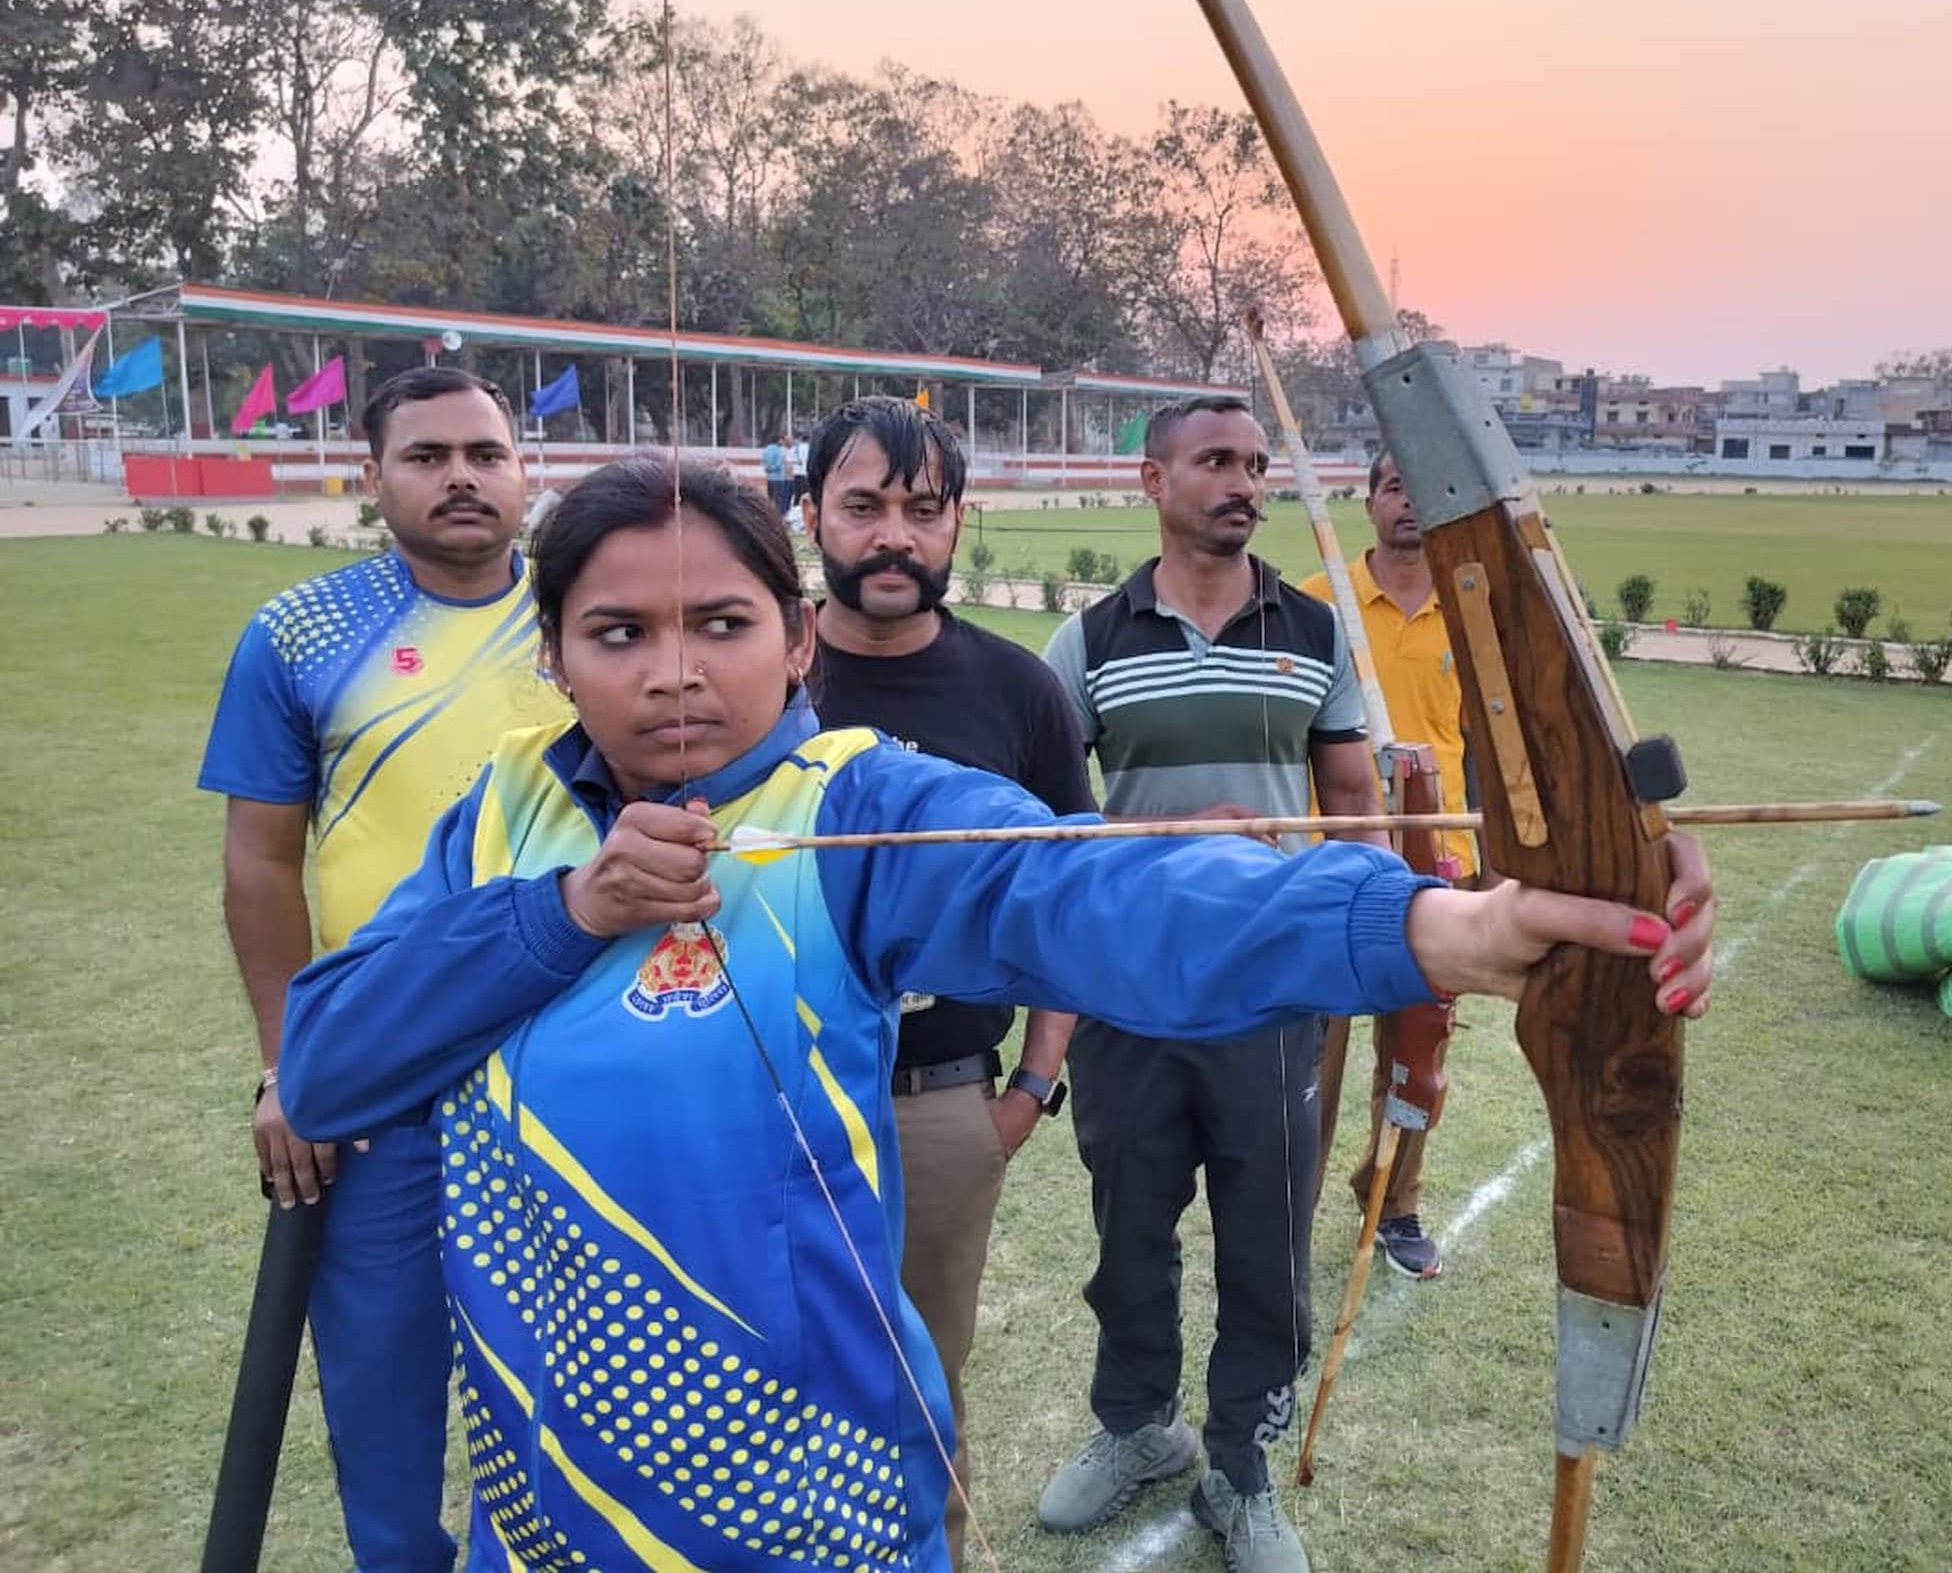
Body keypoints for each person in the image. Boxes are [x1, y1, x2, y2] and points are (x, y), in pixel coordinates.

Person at [274, 454, 1718, 1573]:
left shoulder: (855, 806)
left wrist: (1444, 928)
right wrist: (569, 910)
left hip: (805, 1495)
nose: (669, 672)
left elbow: (1091, 901)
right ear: (552, 656)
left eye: (720, 623)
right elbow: (333, 1058)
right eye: (616, 631)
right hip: (554, 1512)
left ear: (794, 642)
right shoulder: (503, 820)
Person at [198, 365, 566, 1573]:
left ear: (526, 472)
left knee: (576, 1375)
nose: (460, 475)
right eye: (425, 455)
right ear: (373, 477)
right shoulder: (301, 630)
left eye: (484, 452)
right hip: (378, 1068)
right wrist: (289, 1062)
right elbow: (260, 864)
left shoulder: (585, 616)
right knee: (383, 1384)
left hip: (560, 1054)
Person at [1035, 396, 1386, 1571]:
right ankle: (1138, 1427)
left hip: (1270, 988)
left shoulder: (1316, 629)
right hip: (1128, 986)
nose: (1243, 481)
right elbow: (1045, 829)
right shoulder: (1087, 640)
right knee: (1128, 1228)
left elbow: (1356, 810)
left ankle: (1240, 1467)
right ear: (1152, 477)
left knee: (1264, 1237)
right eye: (1215, 461)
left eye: (1254, 462)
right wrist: (1170, 829)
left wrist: (1362, 932)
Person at [800, 395, 1094, 1568]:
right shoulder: (756, 669)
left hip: (942, 1100)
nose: (893, 537)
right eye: (863, 506)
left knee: (924, 1371)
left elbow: (1073, 894)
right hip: (769, 1081)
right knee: (762, 1354)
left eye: (922, 511)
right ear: (811, 512)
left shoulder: (1019, 690)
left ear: (957, 523)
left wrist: (1031, 1083)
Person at [1299, 451, 1475, 1281]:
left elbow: (1490, 749)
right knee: (1314, 1051)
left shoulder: (1475, 612)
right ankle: (1290, 1197)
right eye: (1395, 487)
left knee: (1417, 1052)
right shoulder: (1317, 601)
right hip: (1334, 862)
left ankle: (1394, 1201)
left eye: (1422, 487)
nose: (1409, 503)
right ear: (1368, 501)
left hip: (1438, 861)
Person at [761, 428, 793, 515]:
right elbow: (779, 464)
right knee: (779, 500)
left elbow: (763, 462)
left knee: (770, 498)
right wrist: (773, 468)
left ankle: (769, 514)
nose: (782, 442)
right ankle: (778, 517)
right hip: (778, 478)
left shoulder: (766, 449)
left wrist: (768, 469)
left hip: (770, 478)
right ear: (778, 441)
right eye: (782, 440)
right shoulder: (779, 451)